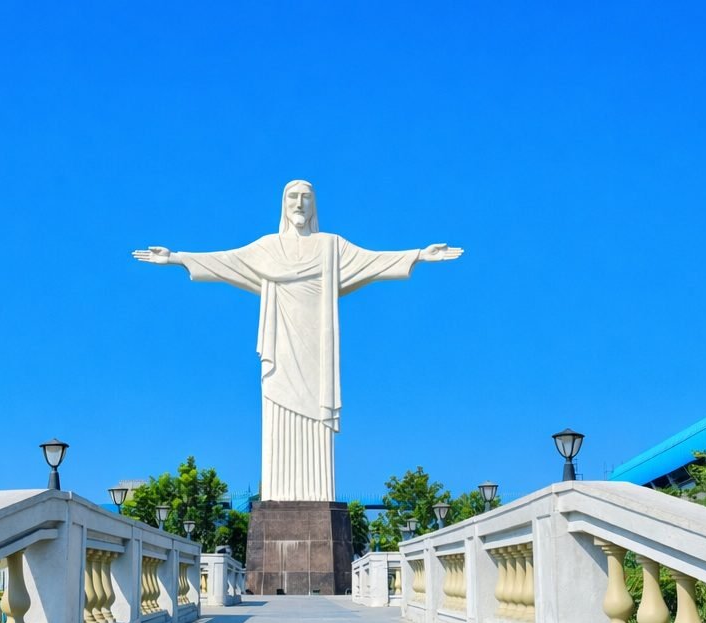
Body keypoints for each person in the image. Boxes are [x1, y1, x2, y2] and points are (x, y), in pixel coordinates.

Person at [133, 180, 461, 502]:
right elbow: (225, 261)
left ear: (314, 204)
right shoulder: (267, 249)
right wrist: (176, 257)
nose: (299, 203)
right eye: (293, 196)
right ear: (284, 203)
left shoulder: (331, 247)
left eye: (306, 197)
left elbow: (373, 261)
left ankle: (318, 493)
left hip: (318, 349)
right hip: (281, 349)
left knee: (317, 416)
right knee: (278, 412)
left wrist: (419, 254)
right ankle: (280, 493)